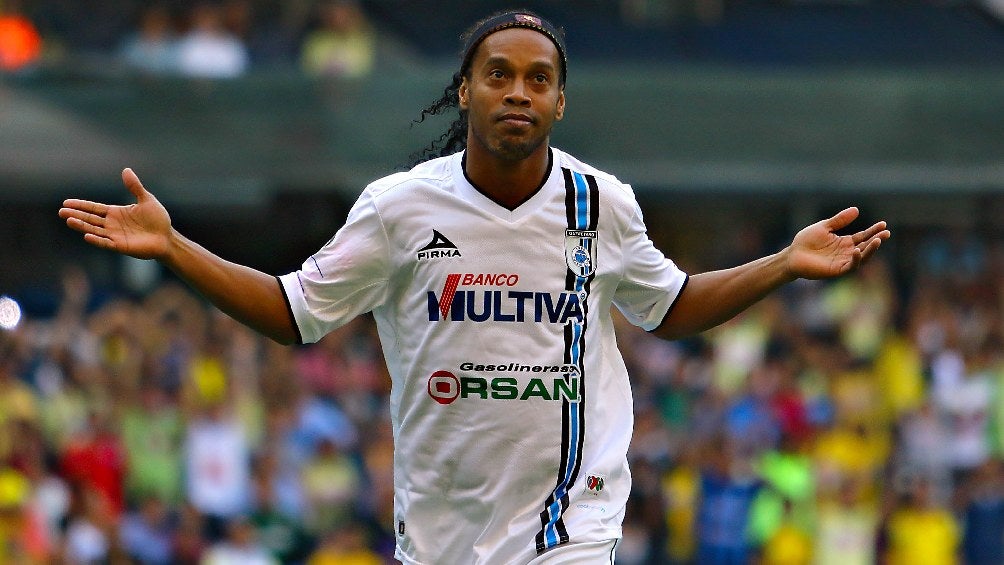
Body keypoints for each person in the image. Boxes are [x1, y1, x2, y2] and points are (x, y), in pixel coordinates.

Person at [59, 9, 890, 564]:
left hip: (573, 519)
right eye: (499, 74)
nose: (518, 91)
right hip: (442, 526)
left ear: (561, 102)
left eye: (537, 78)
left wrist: (782, 262)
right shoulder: (398, 207)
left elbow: (668, 308)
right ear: (466, 90)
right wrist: (174, 248)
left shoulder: (601, 203)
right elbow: (290, 313)